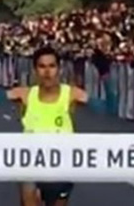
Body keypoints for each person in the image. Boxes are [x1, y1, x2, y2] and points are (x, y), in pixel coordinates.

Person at [6, 46, 90, 206]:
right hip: (30, 163)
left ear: (59, 69)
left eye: (52, 66)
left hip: (62, 165)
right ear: (35, 70)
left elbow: (98, 104)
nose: (47, 72)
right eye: (42, 66)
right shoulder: (24, 94)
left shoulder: (72, 94)